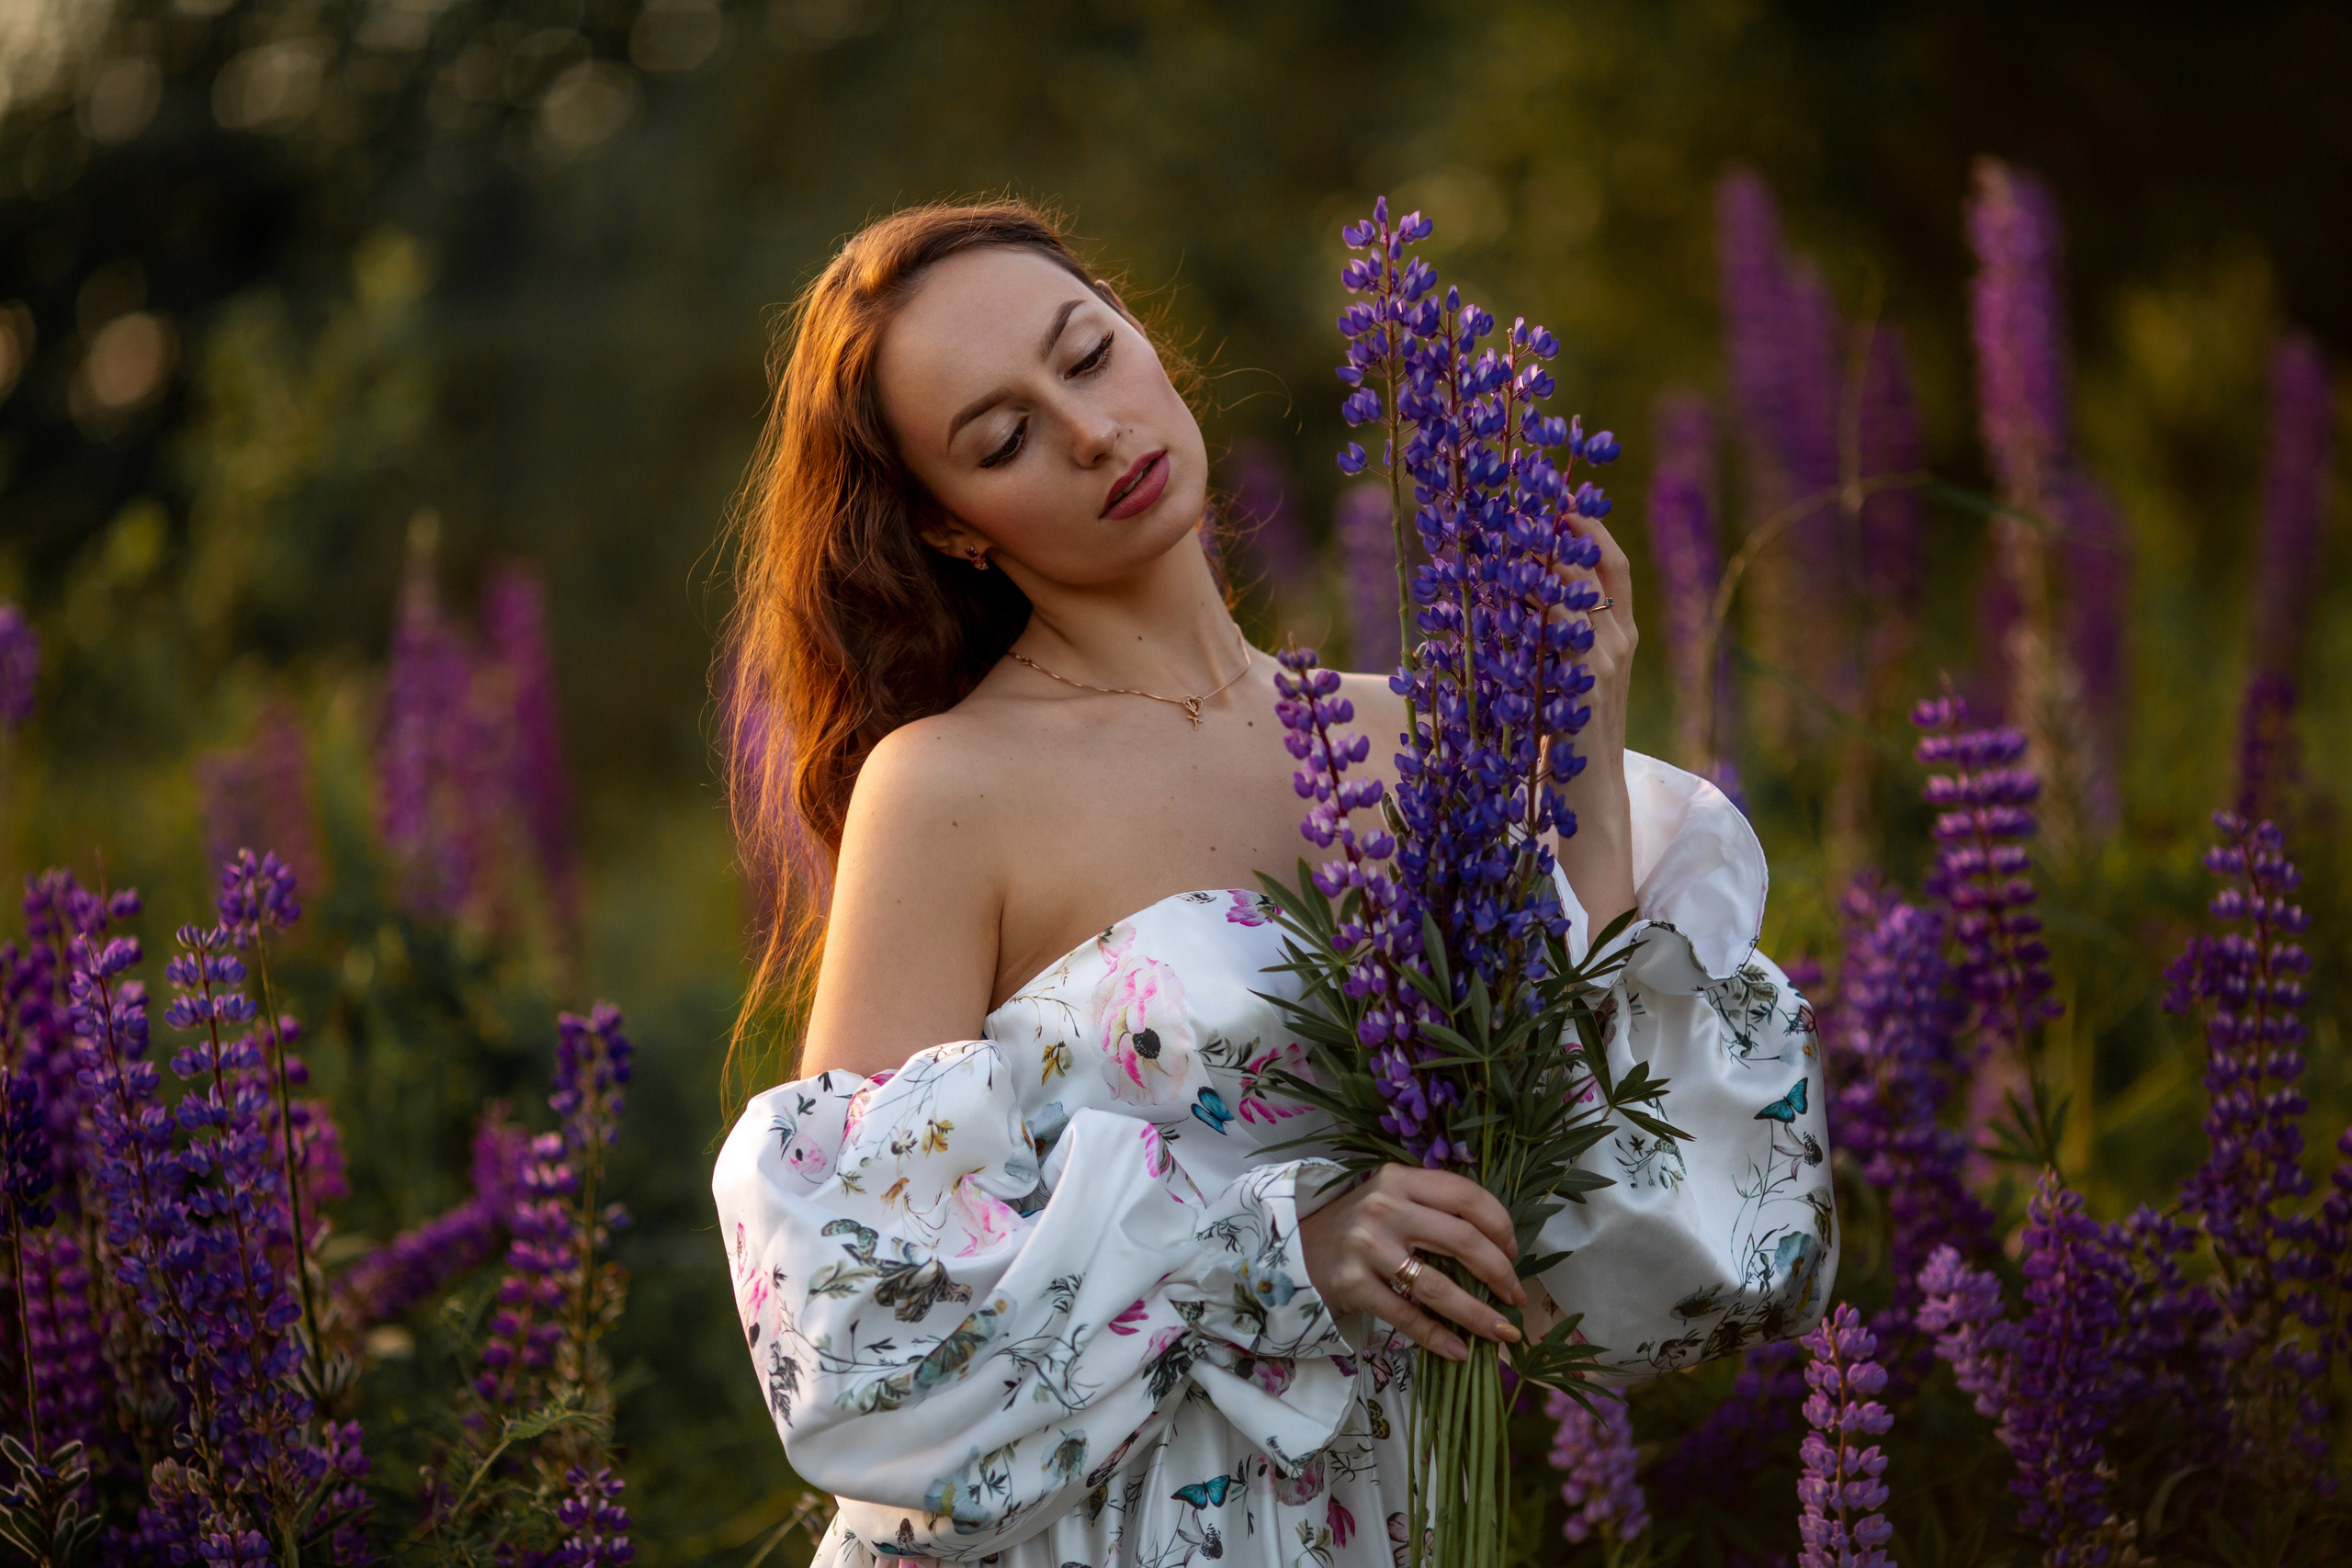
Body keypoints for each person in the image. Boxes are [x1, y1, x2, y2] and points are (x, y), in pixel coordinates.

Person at [711, 201, 1832, 1567]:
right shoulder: (948, 790)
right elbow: (849, 1317)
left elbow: (1590, 1203)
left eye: (1086, 354)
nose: (1089, 432)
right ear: (953, 531)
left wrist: (1580, 751)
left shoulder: (1412, 737)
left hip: (1383, 1514)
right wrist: (1278, 1246)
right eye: (1001, 440)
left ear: (1141, 335)